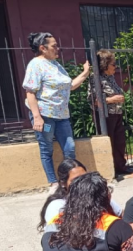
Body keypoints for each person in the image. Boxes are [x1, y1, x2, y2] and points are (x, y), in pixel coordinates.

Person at [23, 32, 91, 194]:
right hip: (45, 117)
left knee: (69, 148)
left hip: (62, 116)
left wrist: (85, 73)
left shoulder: (56, 65)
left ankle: (69, 180)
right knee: (46, 148)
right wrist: (37, 117)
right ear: (42, 48)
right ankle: (53, 183)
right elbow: (30, 92)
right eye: (54, 46)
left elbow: (70, 86)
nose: (57, 48)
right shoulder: (35, 64)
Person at [37, 158, 122, 232]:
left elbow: (121, 215)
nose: (82, 183)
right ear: (63, 183)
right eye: (75, 180)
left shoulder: (98, 196)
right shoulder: (57, 206)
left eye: (85, 177)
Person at [89, 49, 130, 176]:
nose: (115, 67)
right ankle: (110, 169)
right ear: (104, 65)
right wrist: (112, 99)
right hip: (105, 115)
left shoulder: (110, 77)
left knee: (119, 142)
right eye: (113, 64)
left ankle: (120, 167)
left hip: (116, 113)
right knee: (109, 142)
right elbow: (92, 99)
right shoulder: (96, 78)